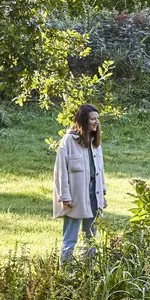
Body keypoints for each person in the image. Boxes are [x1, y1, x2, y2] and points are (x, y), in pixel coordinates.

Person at [53, 104, 107, 263]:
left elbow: (100, 170)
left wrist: (102, 193)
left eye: (97, 119)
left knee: (91, 236)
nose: (96, 122)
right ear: (84, 120)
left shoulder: (95, 142)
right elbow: (60, 171)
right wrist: (64, 196)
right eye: (92, 119)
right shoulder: (69, 140)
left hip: (93, 193)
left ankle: (88, 270)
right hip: (75, 195)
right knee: (71, 236)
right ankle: (65, 270)